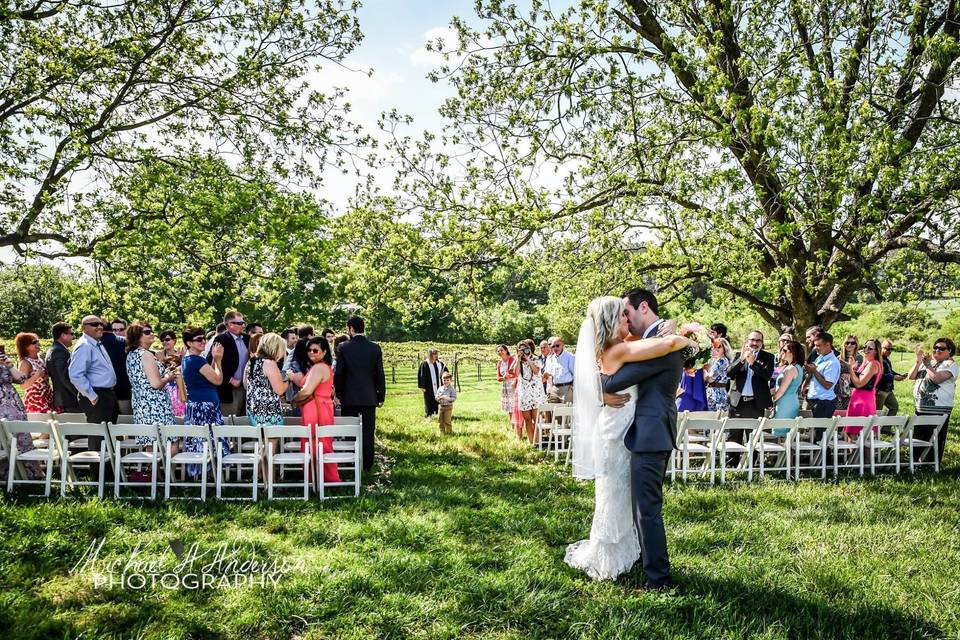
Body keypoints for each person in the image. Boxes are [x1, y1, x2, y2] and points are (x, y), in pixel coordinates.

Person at [594, 288, 696, 588]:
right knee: (640, 505)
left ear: (643, 308)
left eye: (628, 312)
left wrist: (598, 388)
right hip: (642, 433)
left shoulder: (662, 346)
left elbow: (616, 379)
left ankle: (659, 579)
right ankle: (643, 560)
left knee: (646, 510)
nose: (625, 318)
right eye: (621, 315)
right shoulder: (649, 342)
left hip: (651, 434)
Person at [333, 316, 386, 471]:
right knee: (368, 432)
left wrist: (338, 394)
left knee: (350, 431)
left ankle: (351, 462)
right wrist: (380, 395)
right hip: (369, 397)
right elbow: (379, 374)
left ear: (351, 329)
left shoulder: (343, 347)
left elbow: (340, 373)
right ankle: (367, 464)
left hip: (349, 397)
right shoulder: (375, 348)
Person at [69, 315, 118, 464]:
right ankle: (98, 477)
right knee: (98, 438)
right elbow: (75, 375)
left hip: (107, 394)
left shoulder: (96, 343)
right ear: (84, 328)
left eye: (100, 324)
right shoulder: (84, 345)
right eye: (94, 324)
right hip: (97, 396)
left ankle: (109, 475)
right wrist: (92, 395)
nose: (99, 327)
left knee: (108, 436)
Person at [181, 327, 229, 477]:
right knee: (207, 440)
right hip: (204, 407)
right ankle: (206, 474)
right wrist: (218, 360)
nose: (203, 341)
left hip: (198, 405)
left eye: (204, 338)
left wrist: (214, 360)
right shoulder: (196, 360)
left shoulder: (188, 359)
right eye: (198, 339)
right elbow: (218, 379)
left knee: (200, 440)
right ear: (189, 343)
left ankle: (203, 475)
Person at [294, 336, 341, 483]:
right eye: (309, 350)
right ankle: (318, 478)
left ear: (324, 351)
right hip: (320, 407)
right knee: (319, 442)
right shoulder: (322, 366)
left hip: (316, 409)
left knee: (317, 442)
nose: (311, 353)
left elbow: (307, 391)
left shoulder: (318, 367)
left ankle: (322, 479)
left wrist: (294, 400)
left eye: (315, 350)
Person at [126, 322, 177, 452]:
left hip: (141, 405)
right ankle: (165, 473)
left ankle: (153, 473)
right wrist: (169, 377)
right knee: (171, 446)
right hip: (156, 406)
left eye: (151, 331)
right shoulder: (146, 355)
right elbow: (156, 384)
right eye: (147, 332)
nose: (152, 334)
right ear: (137, 336)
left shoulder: (132, 355)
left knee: (151, 448)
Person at [908, 337, 957, 465]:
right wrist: (918, 362)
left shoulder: (951, 365)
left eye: (941, 348)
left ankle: (931, 465)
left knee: (935, 438)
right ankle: (916, 463)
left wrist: (927, 365)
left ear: (949, 351)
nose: (937, 350)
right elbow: (911, 376)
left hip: (939, 409)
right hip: (921, 408)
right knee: (919, 437)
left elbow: (937, 379)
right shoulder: (930, 362)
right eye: (935, 347)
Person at [0, 344, 39, 477]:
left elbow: (22, 379)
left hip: (13, 405)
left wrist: (9, 365)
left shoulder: (4, 363)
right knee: (3, 439)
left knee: (21, 435)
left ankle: (28, 474)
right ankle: (5, 475)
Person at [208, 311, 250, 416]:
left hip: (247, 388)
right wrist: (230, 379)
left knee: (245, 423)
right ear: (230, 324)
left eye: (243, 322)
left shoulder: (247, 339)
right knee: (230, 421)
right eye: (240, 323)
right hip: (229, 390)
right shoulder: (221, 339)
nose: (243, 325)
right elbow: (211, 363)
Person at [727, 330, 775, 419]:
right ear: (747, 341)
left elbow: (767, 376)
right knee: (734, 432)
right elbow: (729, 374)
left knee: (754, 433)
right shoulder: (739, 355)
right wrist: (741, 360)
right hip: (737, 402)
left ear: (762, 342)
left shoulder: (768, 357)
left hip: (756, 403)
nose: (755, 343)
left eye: (758, 340)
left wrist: (753, 363)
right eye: (752, 340)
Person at [843, 338, 883, 441]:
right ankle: (854, 457)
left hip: (863, 402)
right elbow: (856, 379)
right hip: (857, 400)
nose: (866, 349)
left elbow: (859, 383)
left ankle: (861, 457)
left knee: (861, 436)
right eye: (865, 347)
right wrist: (854, 368)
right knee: (852, 434)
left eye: (870, 348)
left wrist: (850, 369)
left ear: (876, 351)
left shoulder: (873, 364)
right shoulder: (866, 363)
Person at [511, 338, 545, 444]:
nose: (523, 351)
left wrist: (528, 357)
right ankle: (531, 442)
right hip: (524, 395)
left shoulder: (536, 359)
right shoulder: (518, 361)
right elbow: (515, 374)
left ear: (529, 349)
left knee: (537, 419)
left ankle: (538, 442)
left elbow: (536, 371)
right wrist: (519, 358)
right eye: (520, 350)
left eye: (525, 349)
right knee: (527, 420)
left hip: (536, 394)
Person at [804, 332, 842, 420]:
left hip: (824, 402)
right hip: (814, 400)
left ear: (828, 345)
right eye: (815, 345)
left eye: (818, 345)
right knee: (813, 432)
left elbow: (828, 385)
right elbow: (814, 374)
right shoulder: (819, 357)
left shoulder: (832, 362)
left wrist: (814, 371)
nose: (816, 348)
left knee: (820, 433)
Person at [15, 332, 54, 414]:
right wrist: (36, 376)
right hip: (35, 400)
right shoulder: (25, 363)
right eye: (34, 342)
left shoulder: (40, 358)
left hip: (48, 396)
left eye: (38, 341)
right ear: (26, 347)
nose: (38, 343)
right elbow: (22, 385)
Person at [771, 341, 805, 435]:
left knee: (781, 432)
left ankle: (782, 450)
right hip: (791, 401)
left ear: (792, 352)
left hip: (785, 403)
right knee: (786, 432)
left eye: (785, 350)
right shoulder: (798, 367)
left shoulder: (791, 369)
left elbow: (781, 390)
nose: (781, 352)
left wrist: (771, 401)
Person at [46, 322, 80, 413]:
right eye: (71, 334)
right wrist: (79, 394)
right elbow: (64, 377)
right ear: (63, 335)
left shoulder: (55, 349)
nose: (73, 337)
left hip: (65, 399)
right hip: (68, 400)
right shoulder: (58, 351)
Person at [102, 320, 131, 415]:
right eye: (114, 330)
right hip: (108, 392)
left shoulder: (128, 344)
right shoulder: (98, 343)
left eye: (121, 329)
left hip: (125, 392)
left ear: (126, 330)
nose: (118, 332)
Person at [158, 330, 186, 418]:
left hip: (178, 388)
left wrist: (183, 358)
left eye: (167, 339)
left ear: (174, 340)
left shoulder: (181, 355)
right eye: (162, 340)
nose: (164, 342)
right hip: (165, 387)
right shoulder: (158, 355)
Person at [876, 340, 907, 416]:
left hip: (888, 390)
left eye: (891, 349)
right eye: (887, 349)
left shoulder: (886, 359)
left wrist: (899, 375)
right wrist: (894, 377)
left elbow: (890, 372)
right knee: (877, 413)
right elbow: (879, 376)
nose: (889, 351)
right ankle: (874, 428)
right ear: (881, 348)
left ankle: (886, 428)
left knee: (894, 407)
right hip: (880, 390)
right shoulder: (877, 359)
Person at [417, 348, 447, 418]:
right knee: (429, 400)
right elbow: (422, 375)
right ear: (430, 355)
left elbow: (445, 372)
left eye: (436, 354)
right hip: (429, 387)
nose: (436, 355)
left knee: (439, 399)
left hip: (439, 386)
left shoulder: (440, 363)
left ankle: (439, 413)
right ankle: (429, 414)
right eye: (434, 354)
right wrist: (422, 386)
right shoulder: (425, 364)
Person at [704, 338, 732, 412]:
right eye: (714, 347)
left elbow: (710, 379)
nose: (716, 349)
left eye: (719, 347)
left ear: (725, 348)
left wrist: (701, 368)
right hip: (712, 392)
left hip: (717, 393)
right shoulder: (714, 360)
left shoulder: (722, 361)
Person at [544, 338, 576, 404]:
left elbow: (575, 374)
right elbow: (550, 373)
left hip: (566, 388)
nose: (555, 348)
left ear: (563, 345)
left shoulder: (570, 357)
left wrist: (572, 388)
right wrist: (546, 374)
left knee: (567, 412)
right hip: (554, 388)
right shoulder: (552, 358)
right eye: (553, 346)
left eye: (557, 345)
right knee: (553, 412)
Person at [835, 335, 861, 410]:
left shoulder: (859, 358)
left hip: (851, 391)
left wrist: (853, 369)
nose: (849, 345)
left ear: (856, 345)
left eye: (852, 343)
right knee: (838, 413)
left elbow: (861, 375)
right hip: (838, 391)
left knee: (848, 414)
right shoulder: (839, 358)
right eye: (847, 342)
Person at [496, 344, 516, 428]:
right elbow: (498, 377)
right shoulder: (499, 363)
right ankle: (512, 425)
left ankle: (519, 425)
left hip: (513, 384)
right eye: (498, 351)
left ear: (506, 350)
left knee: (515, 405)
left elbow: (516, 373)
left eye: (501, 350)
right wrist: (503, 378)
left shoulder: (512, 359)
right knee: (509, 407)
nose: (500, 352)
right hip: (505, 386)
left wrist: (509, 377)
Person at [436, 371, 457, 435]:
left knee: (447, 421)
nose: (446, 382)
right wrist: (438, 398)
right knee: (440, 421)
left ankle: (449, 432)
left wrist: (447, 398)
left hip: (448, 407)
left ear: (450, 381)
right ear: (442, 380)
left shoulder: (452, 389)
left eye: (447, 380)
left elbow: (454, 398)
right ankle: (442, 432)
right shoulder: (440, 388)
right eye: (444, 380)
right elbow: (436, 396)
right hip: (441, 407)